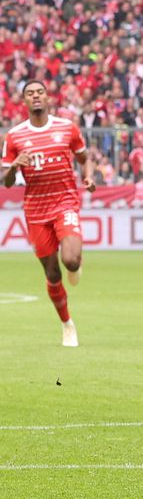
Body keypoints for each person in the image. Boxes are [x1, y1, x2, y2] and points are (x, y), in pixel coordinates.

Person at [2, 79, 95, 347]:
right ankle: (67, 324)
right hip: (35, 211)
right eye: (30, 94)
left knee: (71, 261)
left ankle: (76, 264)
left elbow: (84, 157)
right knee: (52, 274)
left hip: (65, 202)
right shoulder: (15, 136)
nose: (36, 96)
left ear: (48, 97)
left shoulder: (67, 128)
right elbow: (6, 182)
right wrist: (13, 168)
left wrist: (88, 178)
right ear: (25, 101)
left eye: (40, 92)